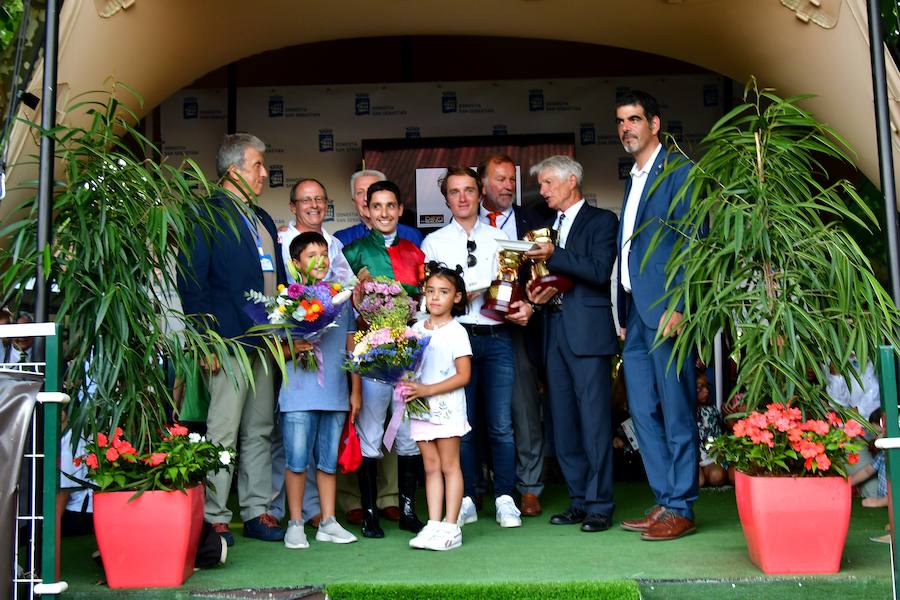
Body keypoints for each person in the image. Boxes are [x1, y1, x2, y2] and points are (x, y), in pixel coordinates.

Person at [177, 133, 286, 545]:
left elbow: (280, 279)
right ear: (235, 169)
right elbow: (191, 280)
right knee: (222, 430)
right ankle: (215, 516)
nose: (264, 173)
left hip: (264, 342)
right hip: (226, 341)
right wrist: (205, 340)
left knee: (259, 428)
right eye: (258, 166)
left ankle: (258, 511)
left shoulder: (261, 217)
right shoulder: (205, 213)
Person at [421, 166, 532, 529]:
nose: (463, 198)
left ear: (480, 192)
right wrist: (464, 294)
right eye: (455, 192)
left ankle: (505, 497)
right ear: (447, 198)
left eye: (469, 190)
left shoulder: (499, 237)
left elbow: (514, 286)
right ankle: (466, 497)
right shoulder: (434, 242)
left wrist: (521, 304)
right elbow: (430, 302)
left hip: (498, 337)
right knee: (459, 424)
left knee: (501, 424)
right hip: (457, 337)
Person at [615, 90, 698, 541]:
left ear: (655, 124)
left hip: (667, 312)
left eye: (634, 119)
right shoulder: (633, 178)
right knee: (643, 412)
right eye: (620, 121)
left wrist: (680, 305)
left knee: (676, 409)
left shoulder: (680, 172)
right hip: (637, 314)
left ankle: (681, 504)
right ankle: (666, 499)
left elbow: (693, 242)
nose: (626, 127)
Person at [524, 155, 619, 533]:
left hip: (588, 333)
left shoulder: (602, 221)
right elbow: (547, 279)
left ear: (571, 182)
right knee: (562, 422)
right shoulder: (547, 227)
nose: (543, 191)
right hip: (553, 330)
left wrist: (555, 256)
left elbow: (598, 271)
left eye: (548, 183)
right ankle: (579, 500)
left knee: (594, 422)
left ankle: (600, 504)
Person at [342, 180, 426, 537]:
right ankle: (370, 512)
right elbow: (346, 303)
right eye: (377, 206)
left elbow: (423, 299)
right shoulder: (355, 250)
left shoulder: (414, 250)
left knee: (408, 431)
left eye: (391, 206)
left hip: (408, 354)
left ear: (400, 210)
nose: (384, 213)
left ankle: (407, 509)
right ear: (366, 210)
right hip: (371, 354)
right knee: (372, 429)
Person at [280, 231, 360, 549]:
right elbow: (275, 351)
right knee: (297, 460)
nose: (320, 260)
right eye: (311, 254)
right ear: (296, 262)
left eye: (325, 253)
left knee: (328, 462)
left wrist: (356, 392)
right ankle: (296, 523)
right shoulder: (287, 299)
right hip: (299, 392)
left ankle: (328, 521)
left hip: (336, 392)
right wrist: (295, 345)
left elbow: (352, 347)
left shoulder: (341, 299)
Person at [477, 154, 545, 517]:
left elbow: (547, 276)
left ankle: (530, 486)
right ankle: (479, 485)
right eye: (499, 180)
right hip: (475, 329)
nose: (507, 186)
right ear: (482, 185)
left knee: (522, 410)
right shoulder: (465, 225)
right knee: (477, 410)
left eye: (511, 181)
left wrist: (531, 307)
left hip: (517, 327)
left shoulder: (534, 221)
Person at [402, 263, 472, 551]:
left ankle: (451, 525)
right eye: (430, 291)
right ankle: (433, 524)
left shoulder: (457, 332)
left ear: (456, 297)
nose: (435, 297)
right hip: (420, 408)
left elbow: (464, 375)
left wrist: (428, 389)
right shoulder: (416, 329)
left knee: (449, 465)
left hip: (446, 407)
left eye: (443, 292)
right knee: (430, 467)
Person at [280, 178, 354, 284]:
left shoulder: (336, 244)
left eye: (319, 199)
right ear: (293, 207)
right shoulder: (279, 243)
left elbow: (346, 285)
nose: (314, 205)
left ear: (326, 205)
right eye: (306, 200)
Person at [334, 169, 424, 247]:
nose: (366, 198)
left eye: (372, 190)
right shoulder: (342, 239)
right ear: (354, 201)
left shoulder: (411, 235)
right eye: (360, 192)